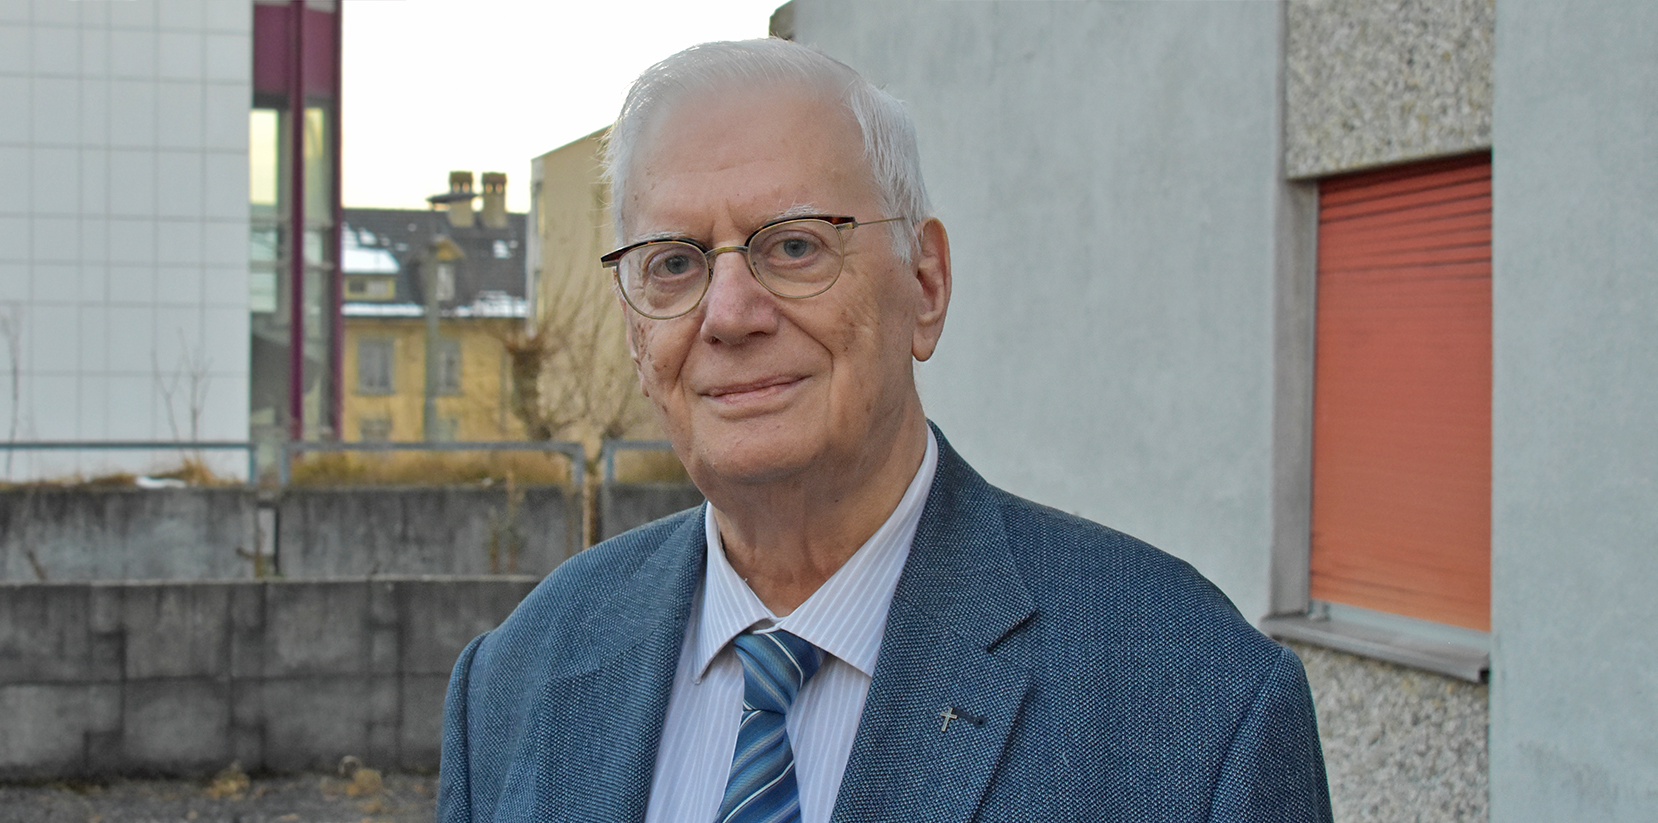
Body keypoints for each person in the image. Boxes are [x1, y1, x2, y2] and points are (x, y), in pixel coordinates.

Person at [439, 38, 1331, 823]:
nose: (730, 313)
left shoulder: (1198, 704)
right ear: (638, 330)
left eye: (793, 245)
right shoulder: (515, 681)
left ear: (926, 285)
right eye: (673, 263)